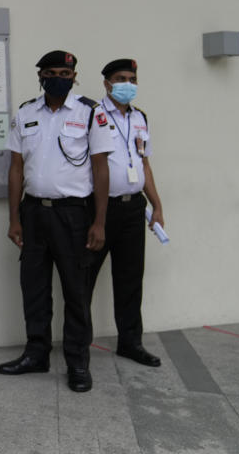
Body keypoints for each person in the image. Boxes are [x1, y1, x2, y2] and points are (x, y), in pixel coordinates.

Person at [0, 50, 115, 392]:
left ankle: (78, 361)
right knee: (33, 288)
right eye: (51, 72)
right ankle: (36, 354)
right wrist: (13, 218)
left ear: (74, 76)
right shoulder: (25, 113)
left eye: (65, 73)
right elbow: (16, 168)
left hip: (74, 215)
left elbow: (100, 169)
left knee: (76, 292)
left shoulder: (91, 113)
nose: (58, 78)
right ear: (40, 77)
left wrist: (99, 223)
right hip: (33, 212)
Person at [89, 58, 165, 367]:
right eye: (121, 78)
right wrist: (98, 218)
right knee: (84, 279)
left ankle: (130, 342)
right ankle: (78, 344)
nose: (128, 84)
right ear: (107, 83)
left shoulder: (140, 117)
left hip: (134, 208)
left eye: (132, 79)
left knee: (131, 278)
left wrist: (157, 204)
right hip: (99, 210)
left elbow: (144, 163)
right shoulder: (93, 115)